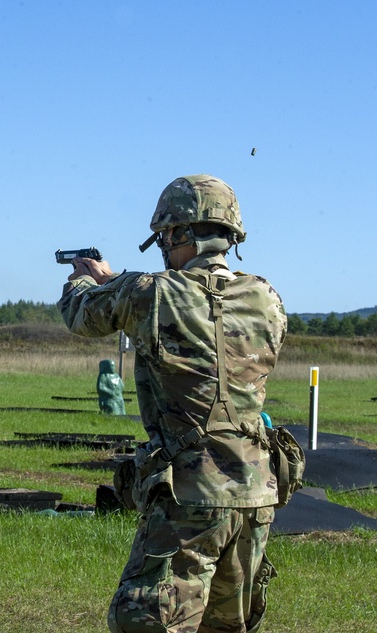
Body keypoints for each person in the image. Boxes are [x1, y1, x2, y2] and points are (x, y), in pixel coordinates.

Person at [58, 175, 287, 633]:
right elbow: (191, 302)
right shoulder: (266, 298)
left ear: (182, 233)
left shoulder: (151, 292)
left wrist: (84, 280)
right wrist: (121, 280)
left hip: (190, 493)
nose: (165, 246)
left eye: (166, 237)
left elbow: (82, 315)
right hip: (256, 492)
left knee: (146, 619)